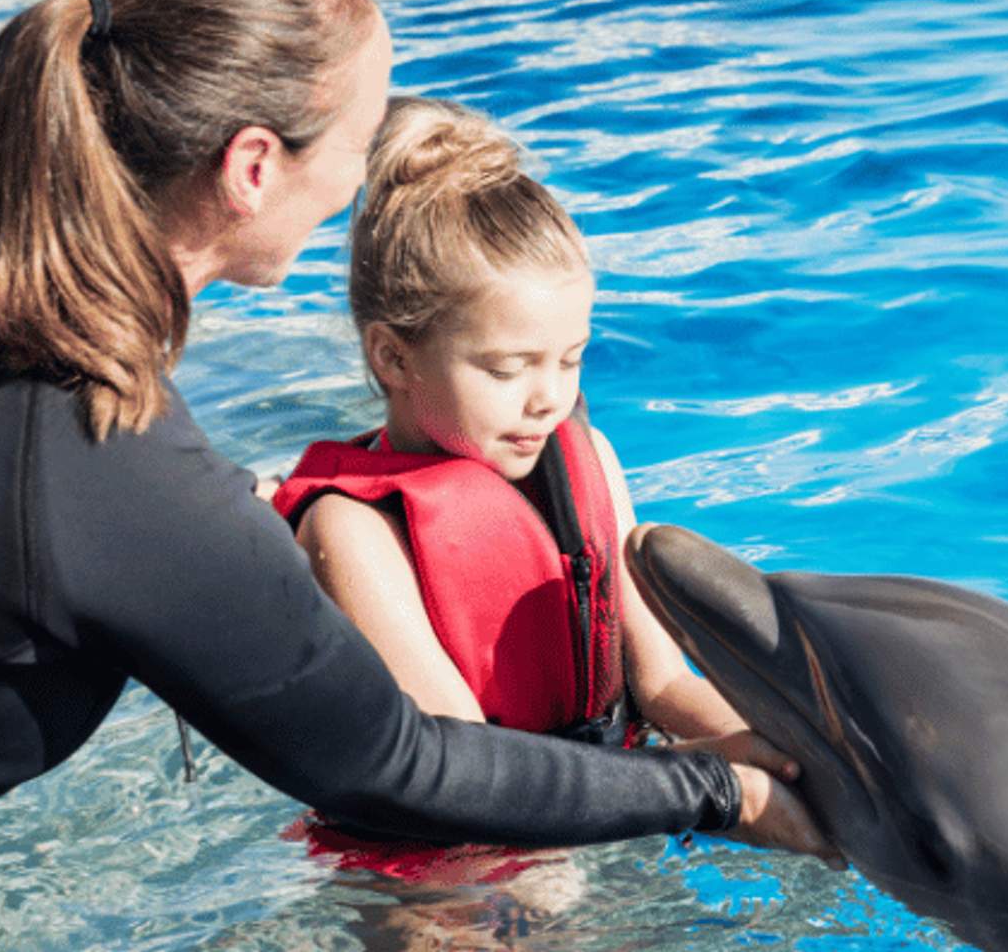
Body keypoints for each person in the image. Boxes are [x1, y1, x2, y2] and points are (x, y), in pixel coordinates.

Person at [0, 0, 830, 952]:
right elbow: (395, 763)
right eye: (362, 143)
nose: (368, 180)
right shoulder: (108, 463)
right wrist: (714, 792)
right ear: (254, 166)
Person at [272, 98, 768, 772]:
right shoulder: (354, 529)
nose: (550, 399)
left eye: (571, 358)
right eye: (507, 368)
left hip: (615, 789)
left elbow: (664, 684)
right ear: (393, 357)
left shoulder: (588, 458)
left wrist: (785, 761)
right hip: (453, 859)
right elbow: (467, 774)